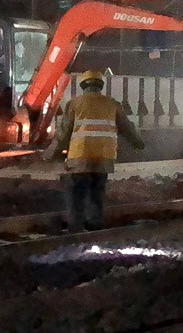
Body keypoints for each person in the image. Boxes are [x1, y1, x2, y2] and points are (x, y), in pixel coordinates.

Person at [44, 70, 145, 232]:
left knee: (77, 194)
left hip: (80, 157)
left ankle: (76, 228)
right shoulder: (112, 104)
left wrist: (49, 154)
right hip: (104, 158)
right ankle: (95, 227)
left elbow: (63, 134)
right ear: (101, 86)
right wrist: (139, 144)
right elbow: (128, 128)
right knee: (97, 194)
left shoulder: (75, 104)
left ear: (83, 85)